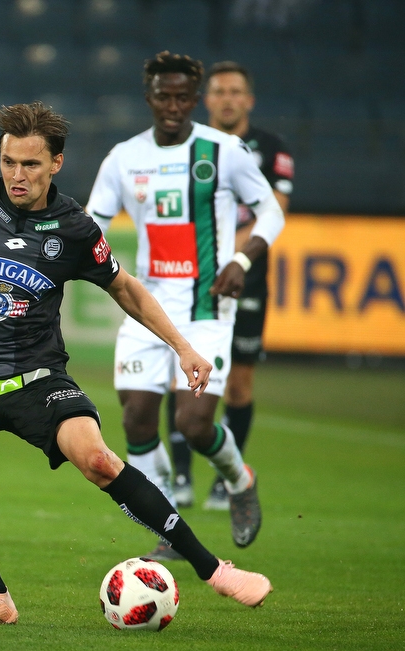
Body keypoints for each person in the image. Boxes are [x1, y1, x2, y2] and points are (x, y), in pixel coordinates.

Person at [0, 101, 272, 625]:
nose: (16, 174)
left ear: (56, 163)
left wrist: (183, 348)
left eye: (30, 164)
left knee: (98, 459)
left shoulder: (74, 228)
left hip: (37, 379)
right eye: (9, 161)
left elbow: (125, 288)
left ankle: (214, 570)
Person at [86, 52, 285, 559]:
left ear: (194, 100)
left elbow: (270, 213)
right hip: (146, 307)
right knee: (134, 421)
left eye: (182, 97)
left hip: (206, 308)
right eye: (163, 96)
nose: (173, 106)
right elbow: (92, 226)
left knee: (193, 425)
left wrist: (241, 257)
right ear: (149, 97)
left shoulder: (225, 151)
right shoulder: (124, 158)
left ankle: (240, 480)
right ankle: (169, 528)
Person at [169, 60, 294, 511]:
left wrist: (232, 256)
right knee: (180, 377)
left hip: (248, 280)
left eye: (235, 91)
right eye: (219, 91)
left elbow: (273, 211)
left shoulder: (272, 148)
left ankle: (227, 479)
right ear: (208, 100)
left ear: (249, 100)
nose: (227, 98)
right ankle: (180, 475)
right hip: (193, 280)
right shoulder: (189, 145)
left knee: (239, 383)